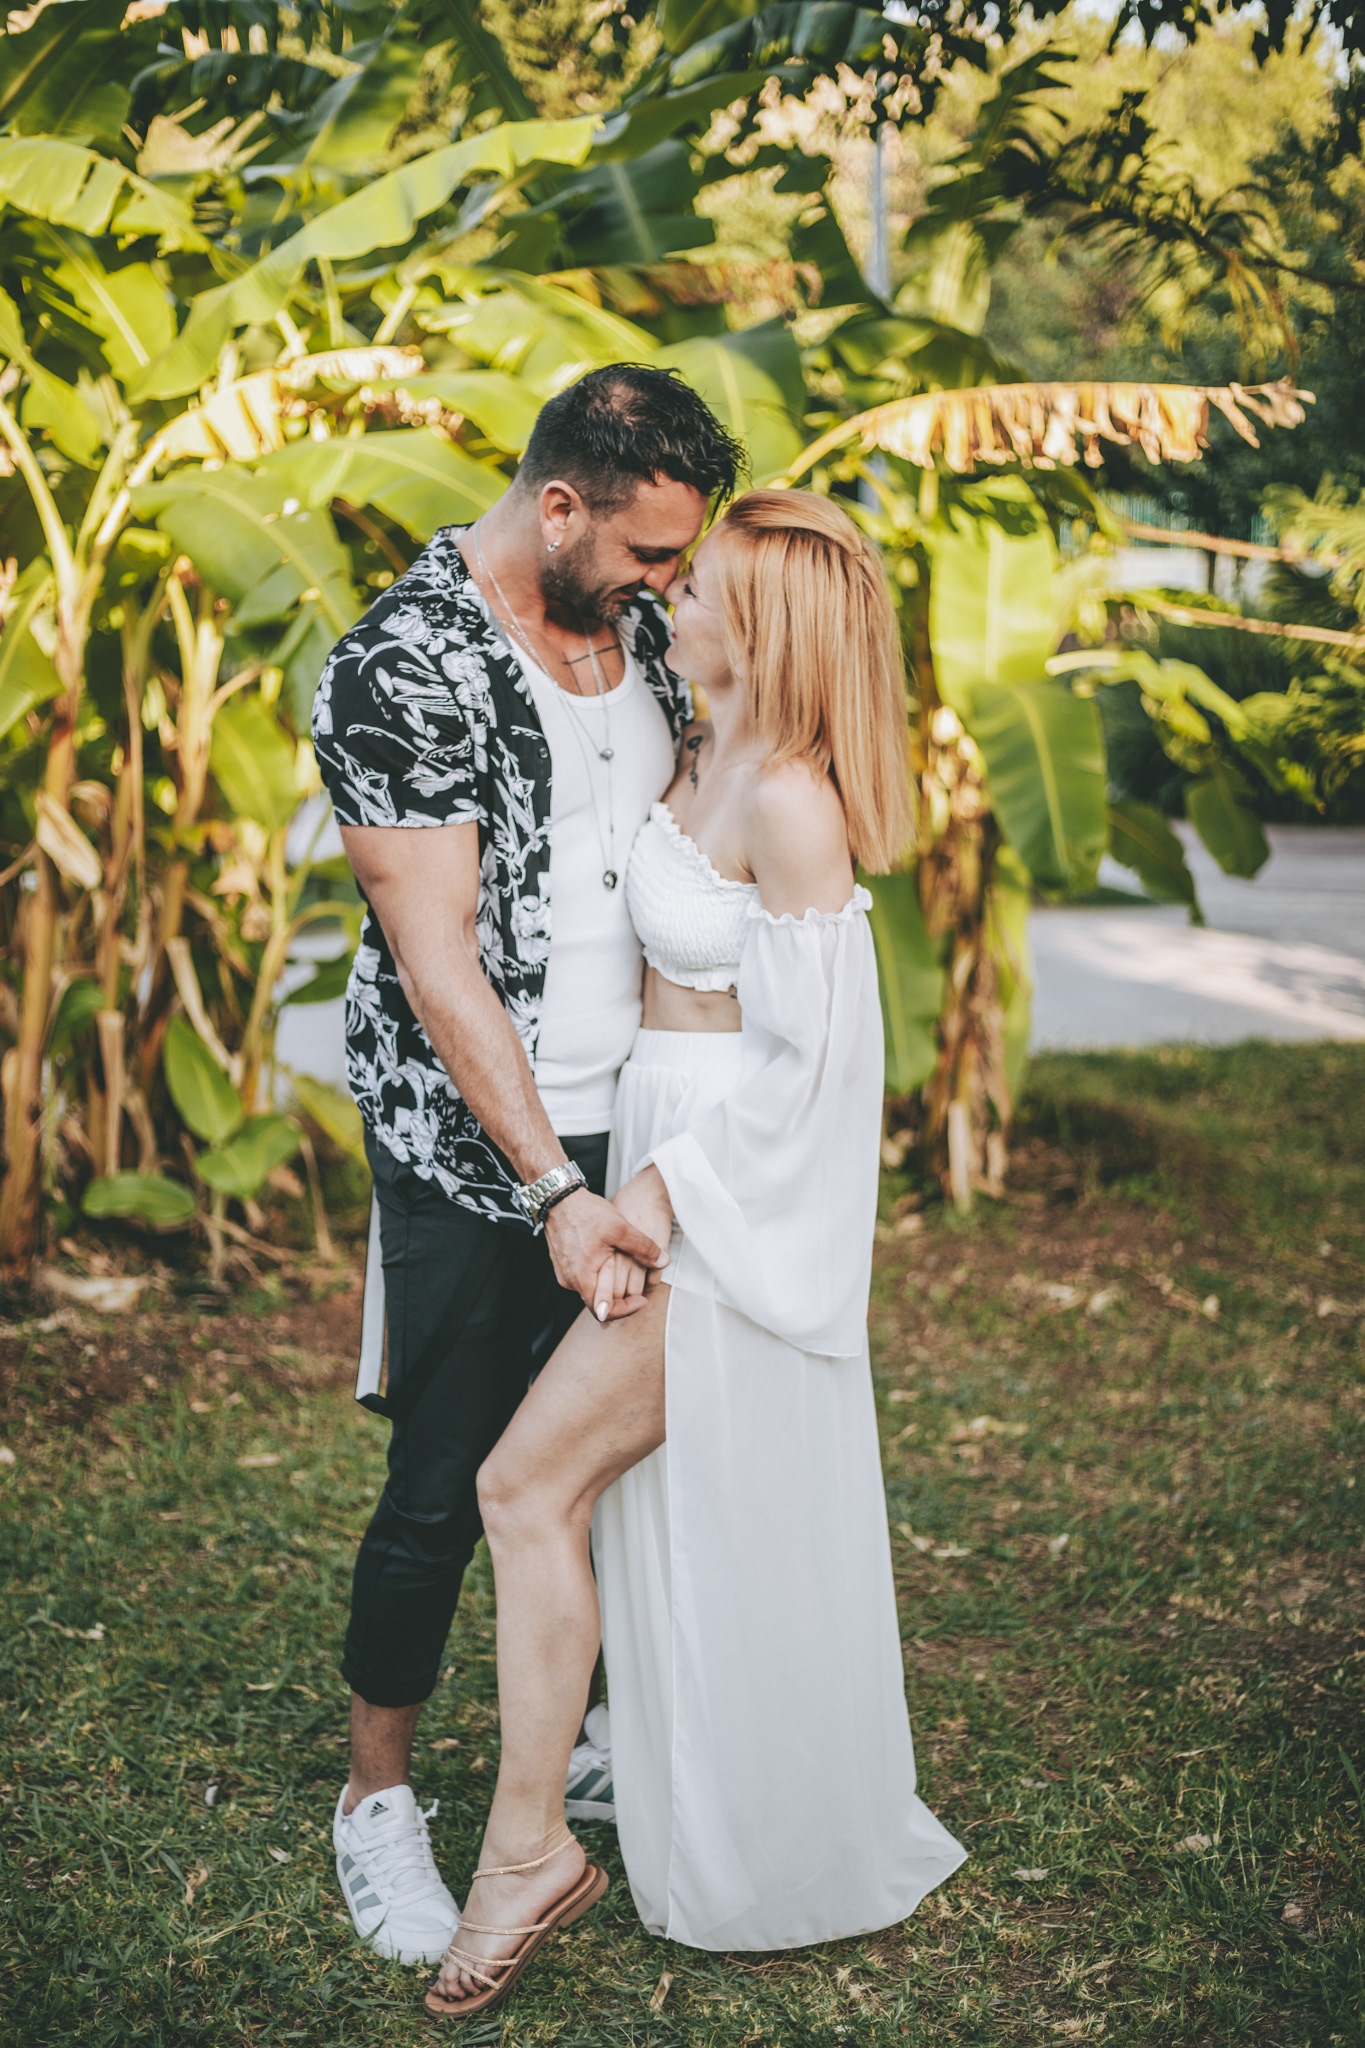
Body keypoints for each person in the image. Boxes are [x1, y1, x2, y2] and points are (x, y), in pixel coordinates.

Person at [424, 489, 966, 2022]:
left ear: (768, 629)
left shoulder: (788, 803)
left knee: (526, 1484)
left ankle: (524, 1855)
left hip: (724, 1194)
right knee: (624, 1505)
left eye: (709, 590)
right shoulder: (700, 745)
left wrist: (663, 1192)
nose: (677, 602)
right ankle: (657, 1783)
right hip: (660, 1150)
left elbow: (816, 1071)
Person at [311, 364, 743, 1965]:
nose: (666, 584)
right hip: (477, 1152)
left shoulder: (642, 636)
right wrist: (552, 1188)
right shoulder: (400, 664)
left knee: (602, 1466)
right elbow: (438, 964)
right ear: (557, 505)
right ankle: (375, 1801)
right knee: (444, 1476)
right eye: (644, 552)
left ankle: (578, 1736)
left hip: (643, 1133)